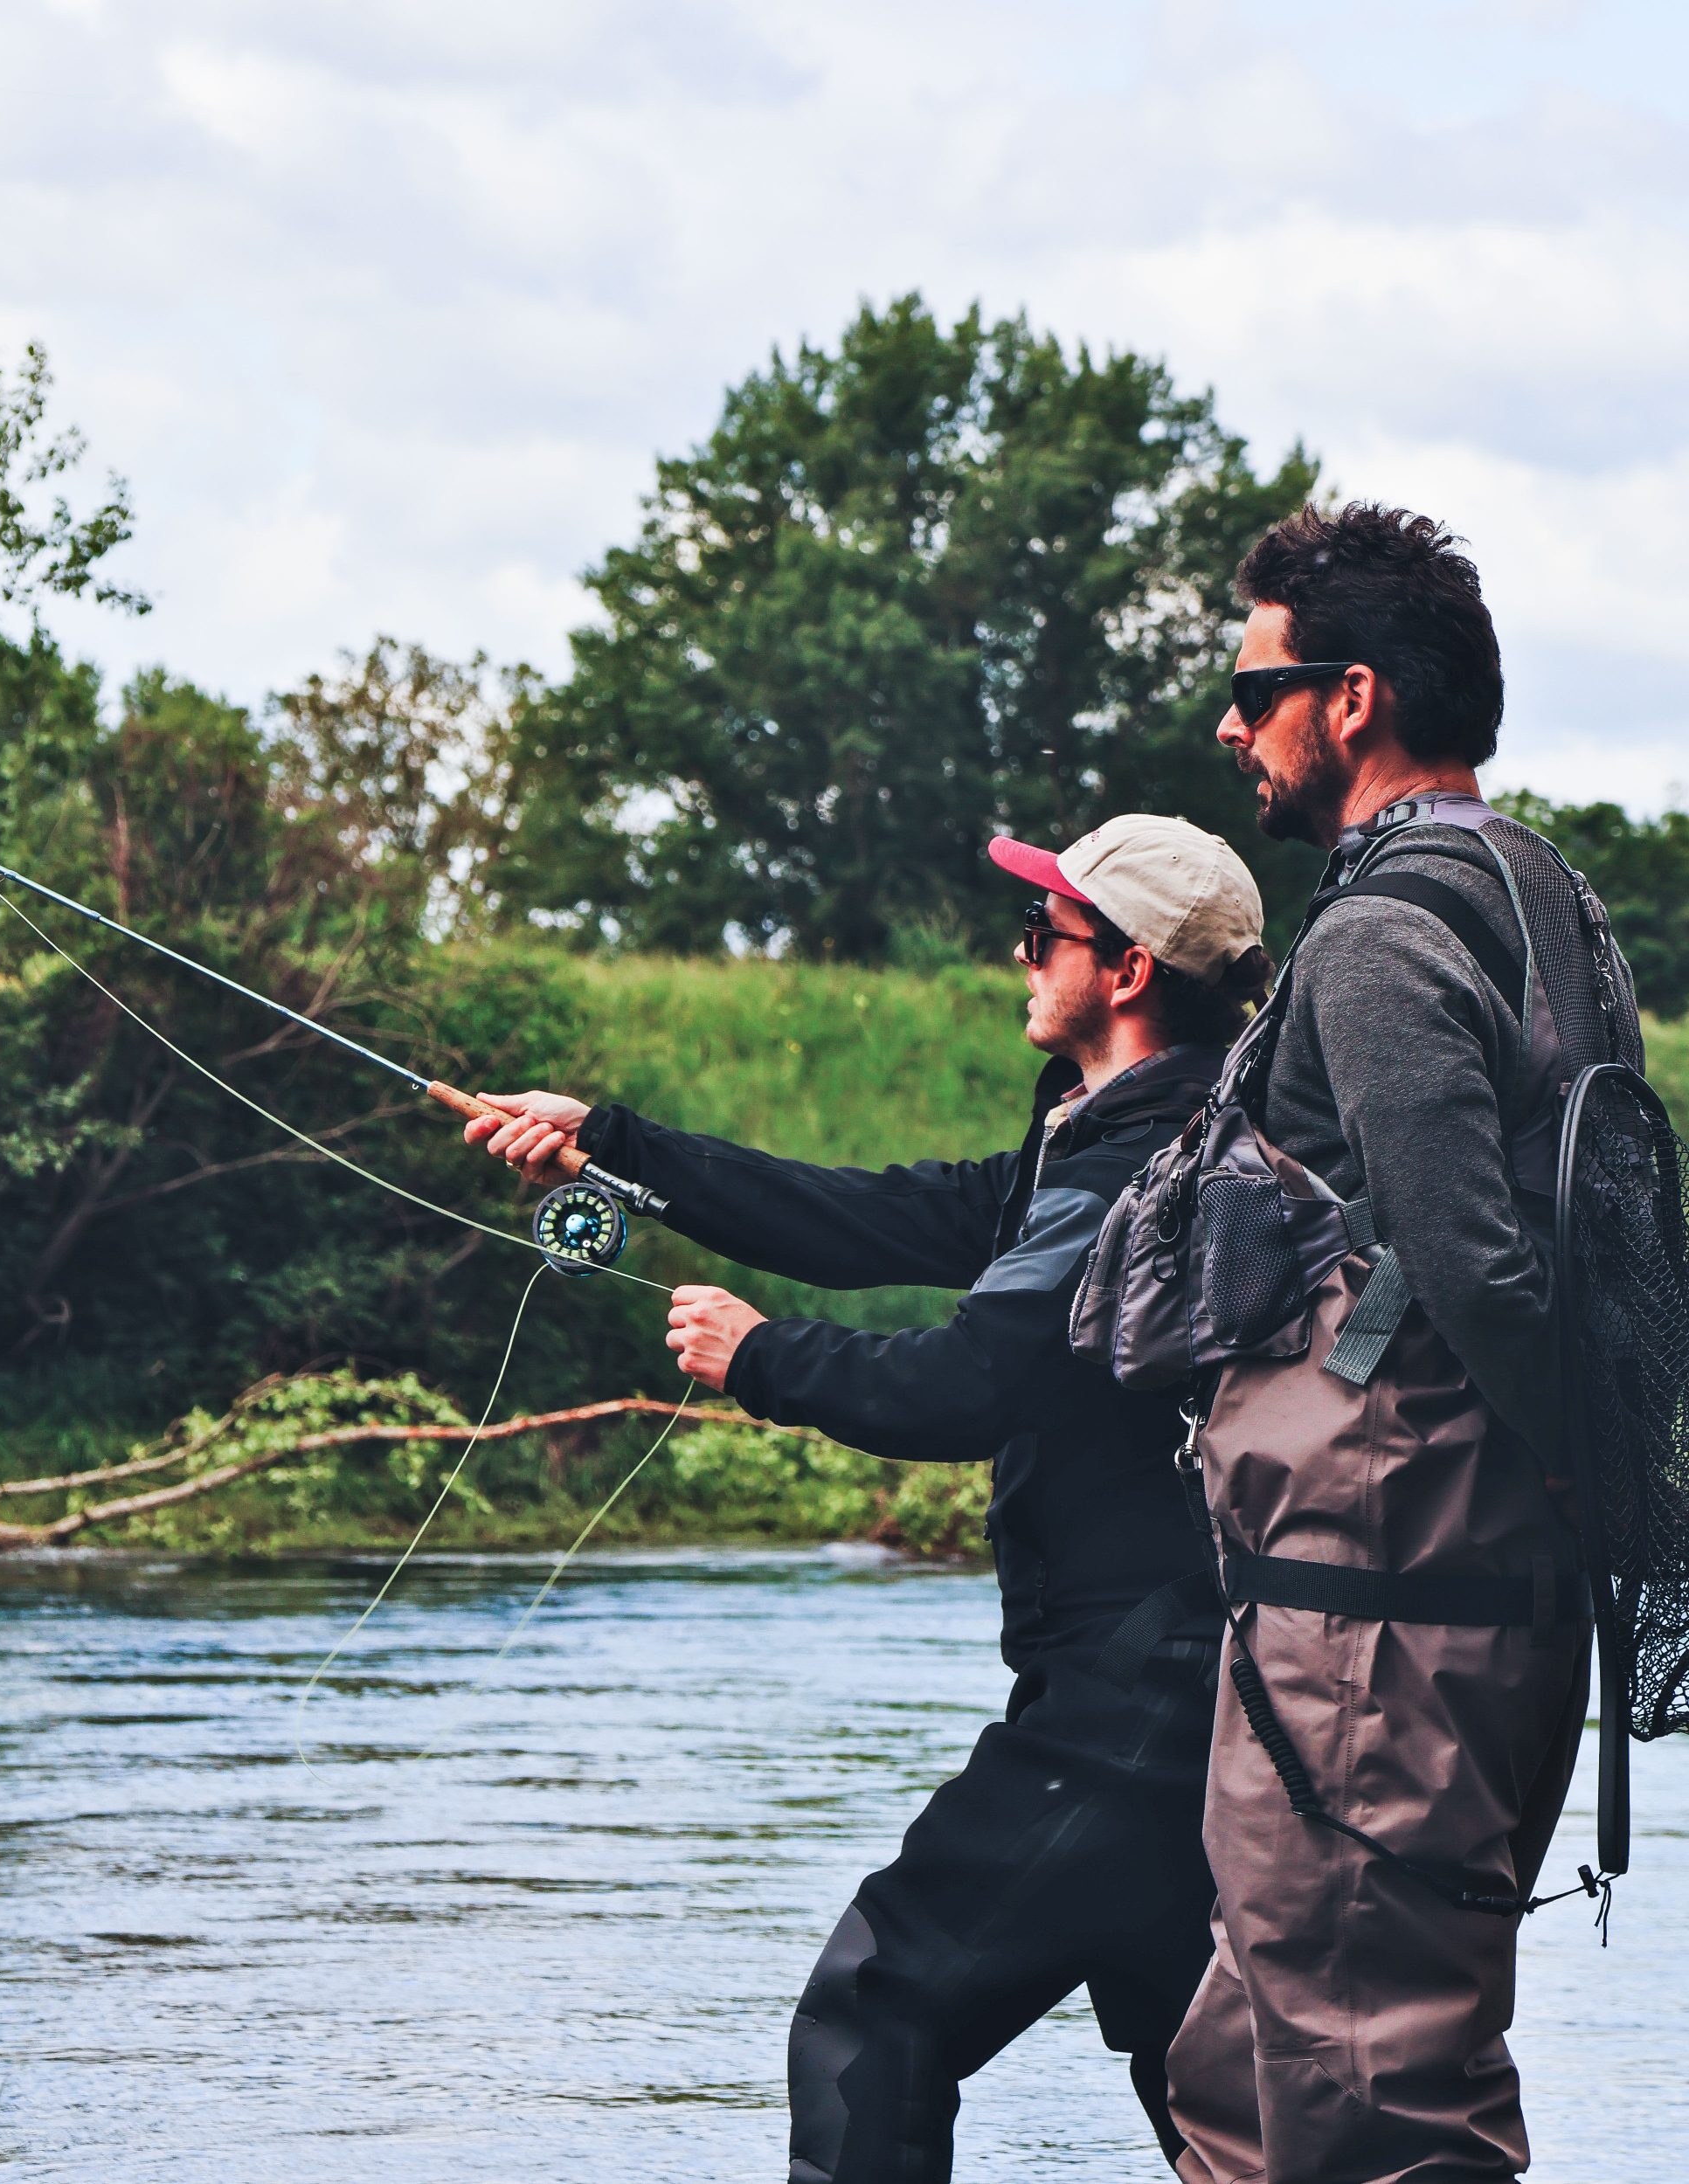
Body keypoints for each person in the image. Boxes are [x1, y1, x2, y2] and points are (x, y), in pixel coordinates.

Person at [464, 815, 1270, 2182]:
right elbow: (868, 1217)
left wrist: (759, 1358)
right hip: (1187, 1695)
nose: (1020, 956)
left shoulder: (1142, 1174)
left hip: (1134, 1708)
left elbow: (973, 1381)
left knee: (876, 2010)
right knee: (1222, 2113)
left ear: (1128, 971)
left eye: (1043, 934)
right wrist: (609, 1143)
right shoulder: (1119, 1142)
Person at [1119, 503, 1643, 2184]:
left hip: (1379, 1625)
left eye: (1253, 689)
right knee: (1241, 2078)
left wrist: (1569, 1476)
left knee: (1371, 2090)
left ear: (1352, 701)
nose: (1232, 727)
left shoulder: (1376, 934)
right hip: (1444, 1609)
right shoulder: (1554, 904)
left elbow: (1472, 1263)